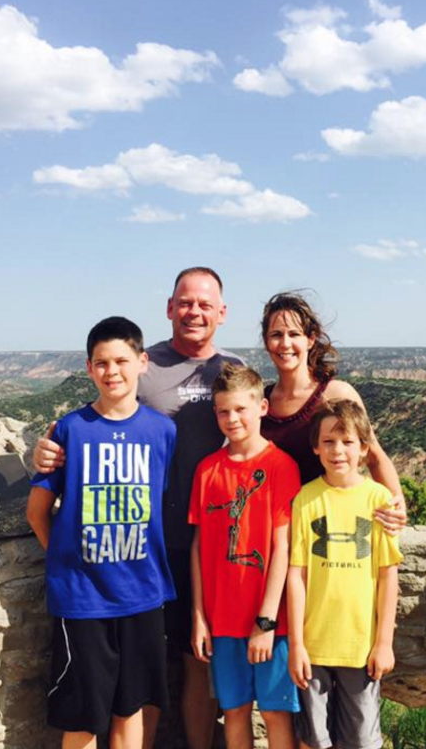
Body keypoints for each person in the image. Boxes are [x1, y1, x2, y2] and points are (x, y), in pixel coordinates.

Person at [33, 268, 242, 749]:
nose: (194, 312)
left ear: (222, 313)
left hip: (203, 543)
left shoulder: (230, 369)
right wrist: (44, 450)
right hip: (139, 550)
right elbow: (95, 422)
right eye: (185, 302)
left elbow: (254, 424)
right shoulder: (143, 371)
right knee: (115, 694)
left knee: (191, 660)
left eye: (205, 304)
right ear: (170, 307)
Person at [27, 317, 177, 749]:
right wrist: (66, 560)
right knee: (84, 718)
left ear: (142, 362)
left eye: (121, 361)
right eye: (102, 363)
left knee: (130, 710)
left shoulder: (162, 431)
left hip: (142, 593)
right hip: (84, 600)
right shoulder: (70, 430)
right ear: (89, 368)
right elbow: (38, 512)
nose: (112, 371)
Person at [189, 364, 301, 749]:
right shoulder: (207, 470)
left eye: (240, 409)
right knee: (234, 711)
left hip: (270, 622)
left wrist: (266, 622)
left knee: (274, 713)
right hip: (222, 620)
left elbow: (282, 547)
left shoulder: (280, 467)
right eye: (223, 411)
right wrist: (200, 617)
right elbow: (199, 546)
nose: (232, 418)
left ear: (262, 408)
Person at [287, 400, 402, 749]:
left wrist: (384, 643)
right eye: (329, 442)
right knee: (313, 739)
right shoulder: (306, 499)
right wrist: (296, 645)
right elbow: (296, 575)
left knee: (362, 741)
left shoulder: (378, 498)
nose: (338, 451)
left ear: (365, 448)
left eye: (348, 442)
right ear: (316, 448)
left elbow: (387, 576)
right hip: (314, 644)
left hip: (360, 645)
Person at [260, 291, 406, 528]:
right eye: (276, 335)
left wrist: (396, 504)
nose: (285, 343)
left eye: (294, 334)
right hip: (275, 534)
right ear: (267, 341)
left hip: (329, 528)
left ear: (310, 339)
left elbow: (374, 457)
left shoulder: (335, 394)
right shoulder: (262, 402)